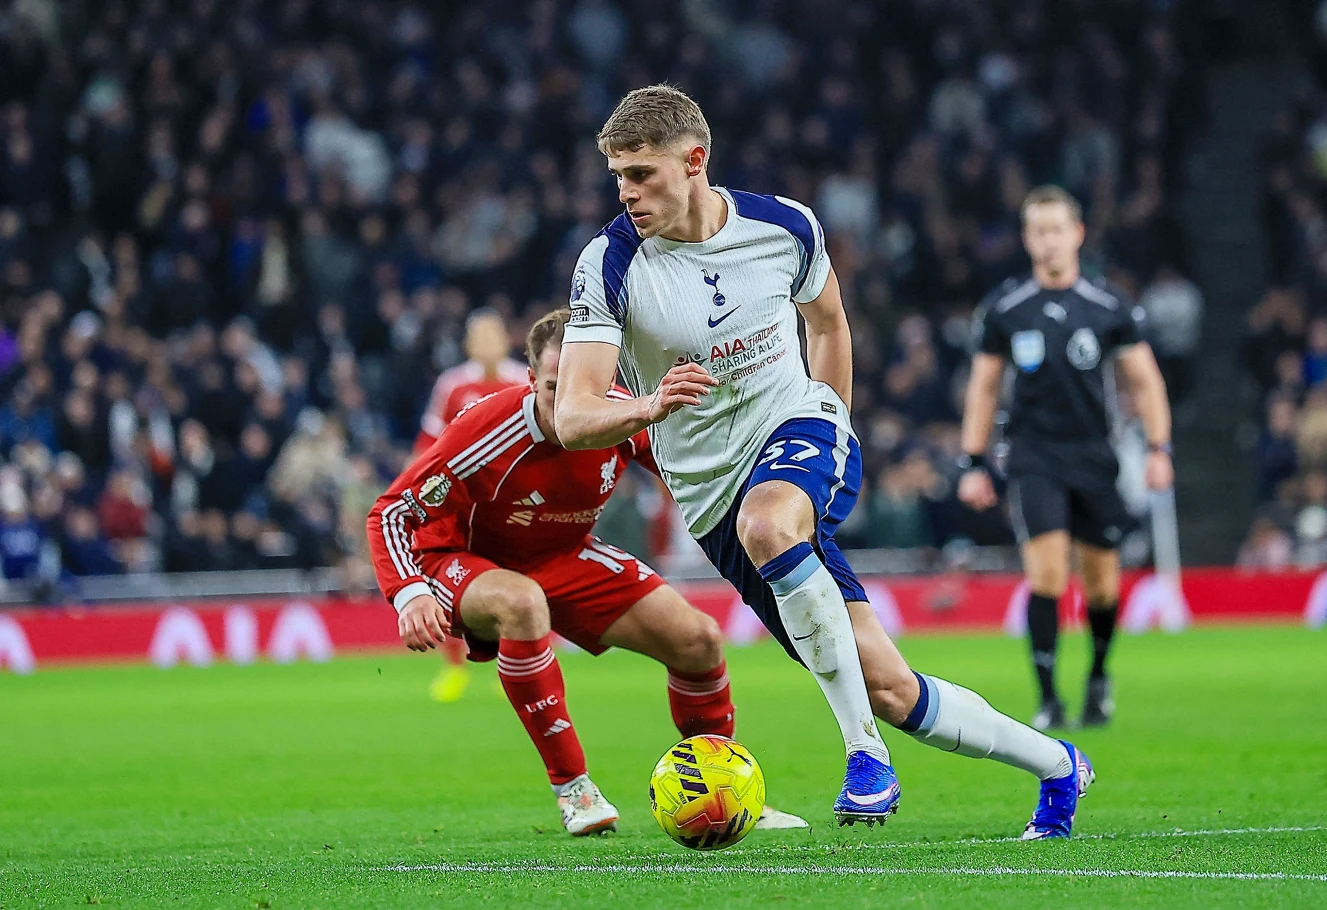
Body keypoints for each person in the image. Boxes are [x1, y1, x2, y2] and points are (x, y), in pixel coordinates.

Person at [555, 84, 1093, 839]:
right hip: (712, 500)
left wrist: (831, 415)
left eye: (641, 174)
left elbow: (830, 324)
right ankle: (1059, 767)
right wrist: (644, 408)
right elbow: (574, 415)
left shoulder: (784, 226)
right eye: (617, 176)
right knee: (889, 685)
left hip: (798, 429)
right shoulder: (610, 262)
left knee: (770, 522)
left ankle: (863, 756)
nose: (626, 192)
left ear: (694, 161)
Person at [367, 309, 805, 836]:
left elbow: (689, 473)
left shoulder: (622, 416)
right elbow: (390, 510)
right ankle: (573, 788)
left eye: (583, 385)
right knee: (523, 601)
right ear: (530, 380)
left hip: (562, 553)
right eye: (554, 387)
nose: (569, 401)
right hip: (462, 558)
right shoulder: (483, 429)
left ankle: (727, 794)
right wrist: (409, 592)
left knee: (699, 641)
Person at [957, 185, 1175, 730]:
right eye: (1038, 231)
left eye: (1057, 230)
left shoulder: (1109, 306)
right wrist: (974, 461)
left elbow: (1145, 382)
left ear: (1076, 234)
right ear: (1027, 239)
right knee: (1048, 574)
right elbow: (984, 388)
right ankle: (1049, 696)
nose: (1048, 241)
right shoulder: (1006, 309)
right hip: (1033, 456)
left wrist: (1158, 449)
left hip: (1094, 456)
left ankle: (1099, 675)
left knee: (1102, 583)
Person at [413, 308, 527, 704]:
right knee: (448, 579)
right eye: (478, 337)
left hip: (512, 499)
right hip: (461, 500)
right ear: (468, 344)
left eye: (492, 335)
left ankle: (514, 665)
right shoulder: (452, 385)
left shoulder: (522, 379)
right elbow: (429, 441)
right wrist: (418, 483)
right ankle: (454, 667)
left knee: (516, 583)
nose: (486, 343)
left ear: (506, 339)